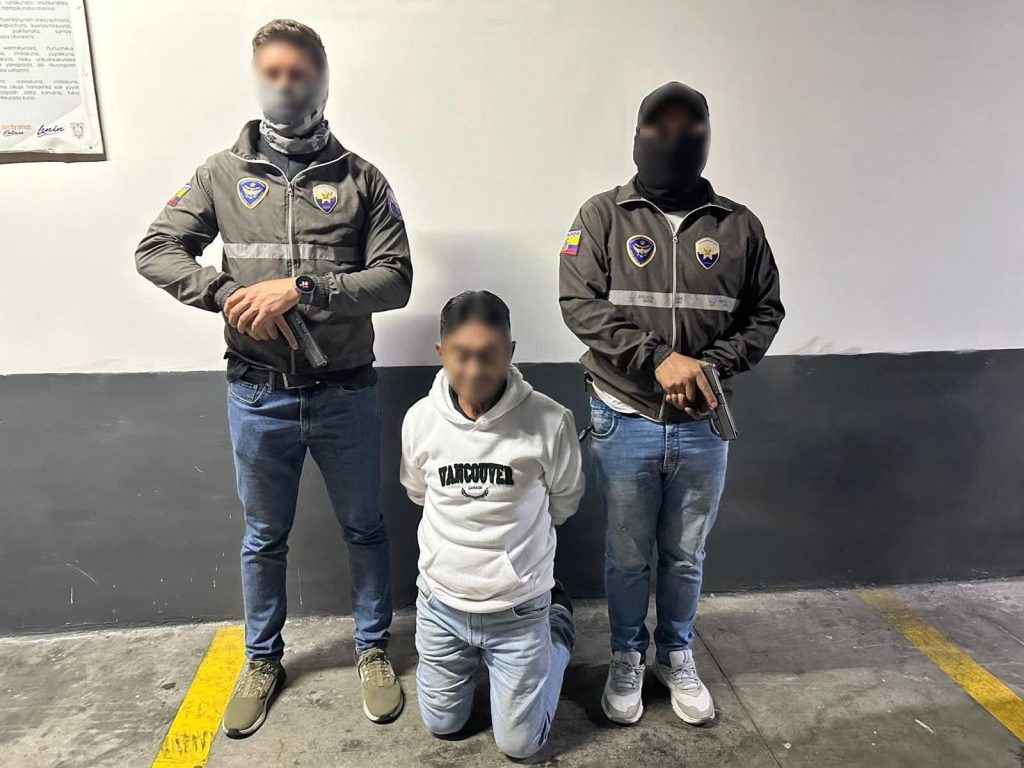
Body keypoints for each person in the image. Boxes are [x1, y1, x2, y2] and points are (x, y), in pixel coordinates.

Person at [135, 19, 411, 735]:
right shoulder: (220, 176)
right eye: (274, 73)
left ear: (323, 79)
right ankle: (263, 660)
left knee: (365, 528)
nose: (287, 85)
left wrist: (306, 288)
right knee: (264, 537)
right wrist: (224, 293)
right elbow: (157, 249)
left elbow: (395, 279)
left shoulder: (362, 180)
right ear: (259, 80)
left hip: (345, 389)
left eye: (300, 73)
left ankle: (373, 649)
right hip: (257, 392)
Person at [558, 82, 784, 726]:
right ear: (637, 135)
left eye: (689, 130)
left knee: (686, 554)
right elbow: (579, 304)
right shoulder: (602, 216)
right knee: (628, 554)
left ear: (707, 138)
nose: (672, 141)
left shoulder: (738, 226)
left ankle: (675, 653)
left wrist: (709, 367)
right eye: (658, 129)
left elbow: (765, 313)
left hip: (702, 422)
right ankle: (627, 655)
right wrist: (658, 358)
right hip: (624, 413)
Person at [400, 291, 585, 759]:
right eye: (461, 355)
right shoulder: (420, 420)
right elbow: (419, 493)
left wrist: (515, 562)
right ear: (441, 352)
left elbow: (565, 498)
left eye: (489, 355)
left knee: (521, 746)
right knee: (442, 725)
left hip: (518, 611)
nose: (474, 369)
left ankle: (557, 631)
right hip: (440, 606)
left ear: (510, 351)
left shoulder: (549, 420)